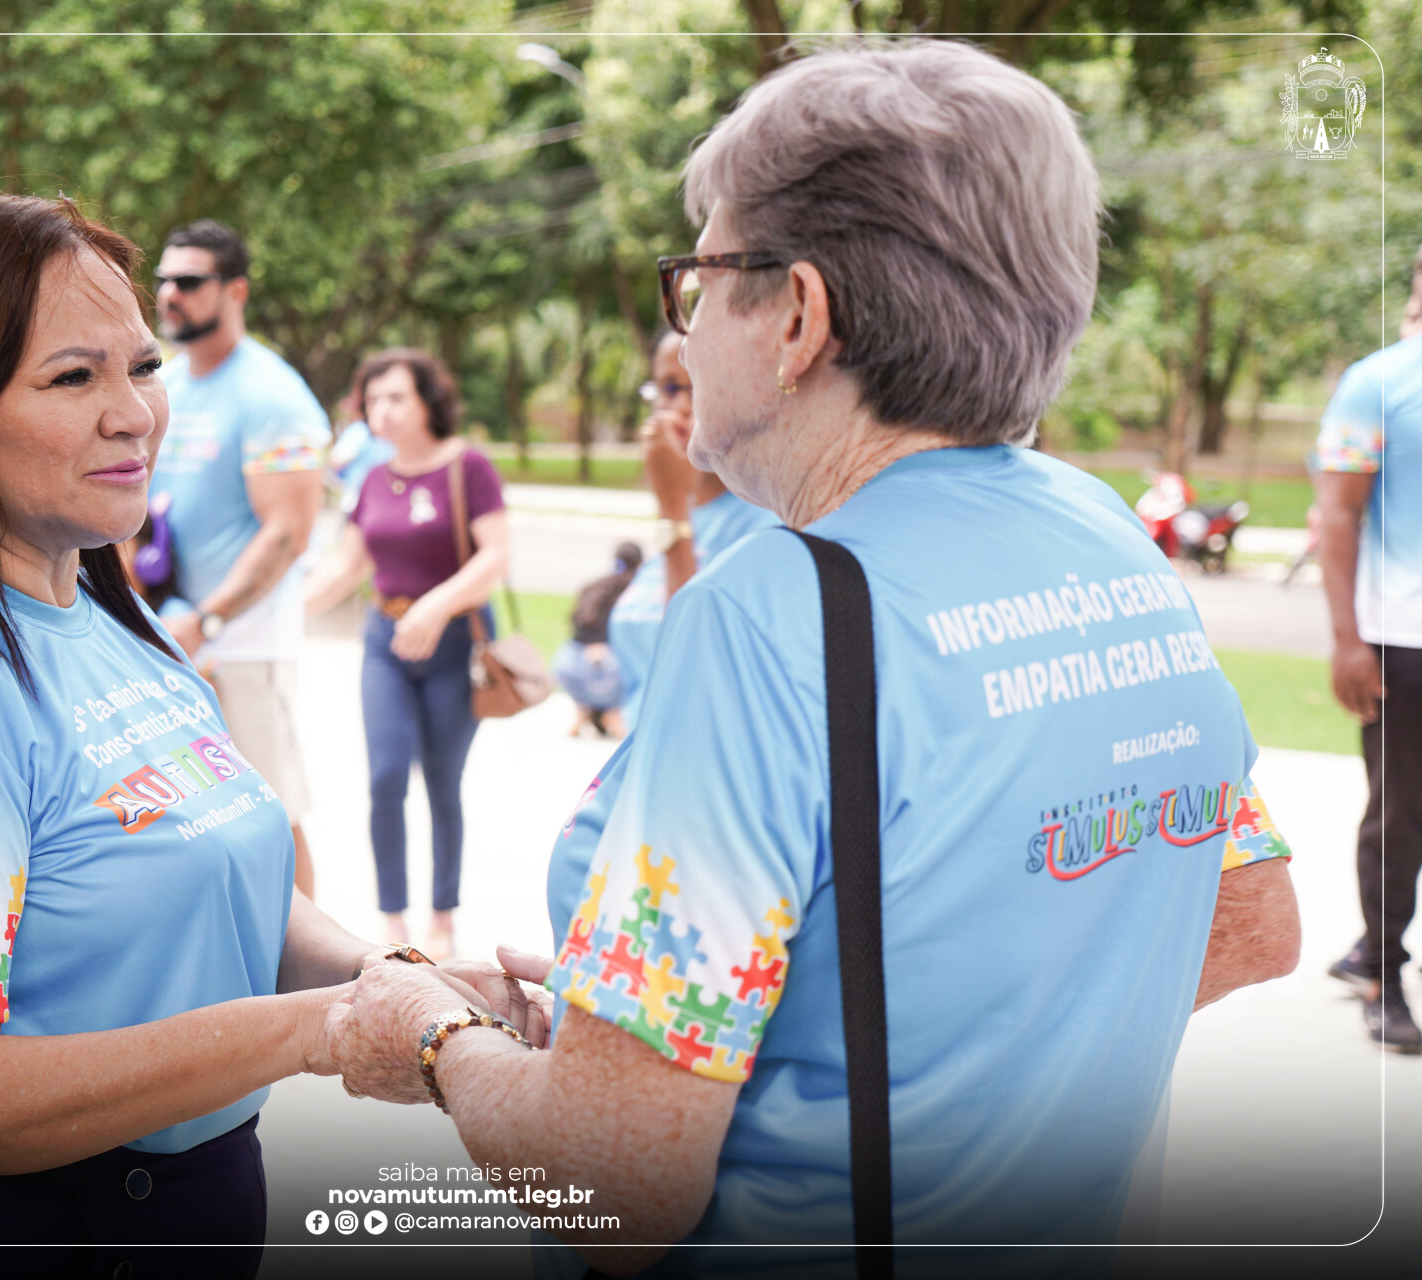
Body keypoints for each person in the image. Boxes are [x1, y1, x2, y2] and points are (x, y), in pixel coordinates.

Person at [326, 41, 1301, 1275]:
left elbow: (613, 1184)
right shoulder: (1102, 534)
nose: (686, 335)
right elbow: (1247, 919)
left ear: (797, 315)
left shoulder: (768, 613)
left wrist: (434, 1035)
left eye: (700, 280)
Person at [0, 193, 542, 1277]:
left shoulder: (116, 622)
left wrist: (399, 981)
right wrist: (317, 1029)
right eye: (73, 378)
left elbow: (221, 882)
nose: (134, 414)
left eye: (143, 367)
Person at [304, 350, 510, 959]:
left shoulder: (469, 466)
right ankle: (393, 922)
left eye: (396, 397)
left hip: (454, 646)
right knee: (386, 777)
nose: (382, 410)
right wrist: (277, 612)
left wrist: (436, 605)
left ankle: (442, 916)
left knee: (442, 782)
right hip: (386, 645)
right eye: (372, 400)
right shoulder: (371, 480)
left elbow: (495, 557)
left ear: (428, 400)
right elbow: (347, 566)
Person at [150, 220, 329, 899]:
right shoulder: (167, 383)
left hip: (243, 642)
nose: (170, 294)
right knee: (193, 818)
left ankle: (308, 962)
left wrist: (210, 619)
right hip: (172, 633)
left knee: (272, 811)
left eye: (189, 281)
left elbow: (288, 533)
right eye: (164, 280)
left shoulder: (272, 393)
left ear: (236, 292)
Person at [1317, 240, 1422, 1053]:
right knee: (1399, 816)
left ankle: (1367, 949)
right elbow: (1338, 515)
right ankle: (1382, 975)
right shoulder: (1377, 385)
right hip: (1399, 642)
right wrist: (1348, 640)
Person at [607, 329, 779, 726]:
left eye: (699, 384)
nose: (682, 406)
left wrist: (671, 508)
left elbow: (695, 661)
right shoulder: (688, 514)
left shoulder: (767, 524)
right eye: (669, 388)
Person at [551, 541, 643, 737]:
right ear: (640, 564)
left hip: (569, 663)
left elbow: (576, 623)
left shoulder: (593, 586)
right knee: (640, 659)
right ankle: (615, 713)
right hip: (610, 669)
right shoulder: (636, 590)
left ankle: (582, 711)